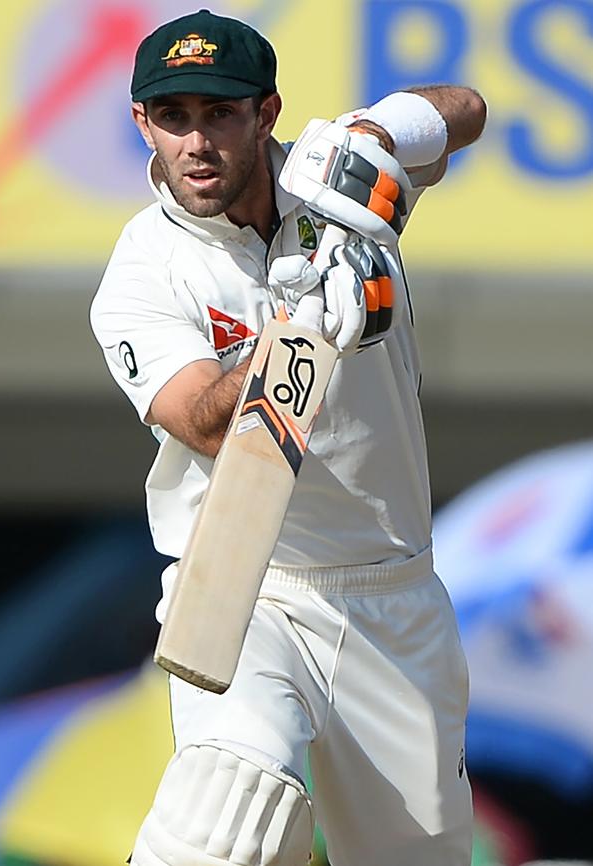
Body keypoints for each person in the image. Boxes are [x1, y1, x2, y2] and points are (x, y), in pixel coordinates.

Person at [90, 9, 487, 866]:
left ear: (266, 112)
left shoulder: (332, 181)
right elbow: (200, 422)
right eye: (173, 118)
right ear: (141, 124)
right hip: (250, 586)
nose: (196, 143)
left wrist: (381, 131)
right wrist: (300, 332)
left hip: (396, 596)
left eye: (219, 115)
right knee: (225, 819)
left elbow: (467, 109)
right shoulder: (140, 273)